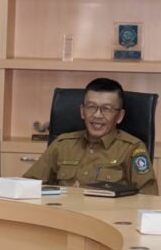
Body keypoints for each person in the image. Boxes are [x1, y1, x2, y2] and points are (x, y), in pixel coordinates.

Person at [24, 78, 158, 195]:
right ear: (82, 111)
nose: (97, 115)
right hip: (63, 213)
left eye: (106, 109)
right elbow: (27, 186)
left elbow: (147, 199)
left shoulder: (132, 149)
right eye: (91, 107)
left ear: (119, 116)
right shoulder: (63, 144)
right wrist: (65, 194)